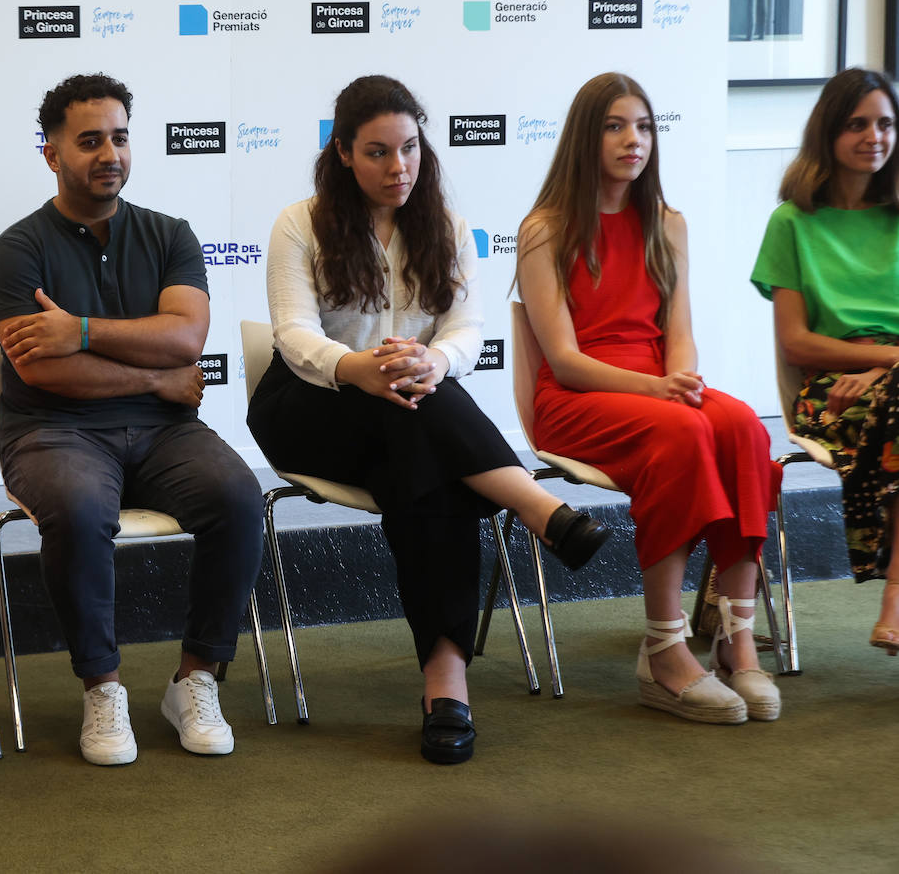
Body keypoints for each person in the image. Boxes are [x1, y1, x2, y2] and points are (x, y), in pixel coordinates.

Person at [247, 75, 611, 765]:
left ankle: (446, 681)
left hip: (409, 417)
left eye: (410, 148)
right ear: (344, 154)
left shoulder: (442, 223)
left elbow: (466, 331)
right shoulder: (300, 223)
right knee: (413, 408)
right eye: (378, 152)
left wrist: (431, 363)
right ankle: (537, 509)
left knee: (420, 425)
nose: (399, 167)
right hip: (310, 409)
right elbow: (292, 337)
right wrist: (364, 369)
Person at [0, 73, 263, 766]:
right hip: (53, 429)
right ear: (51, 154)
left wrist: (79, 330)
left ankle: (194, 679)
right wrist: (155, 376)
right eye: (88, 141)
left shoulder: (170, 236)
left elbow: (185, 341)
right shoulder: (17, 250)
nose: (109, 153)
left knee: (237, 496)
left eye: (119, 136)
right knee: (79, 509)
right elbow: (41, 370)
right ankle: (101, 687)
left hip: (167, 431)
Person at [517, 72, 783, 725]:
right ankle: (664, 649)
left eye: (642, 127)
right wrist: (660, 392)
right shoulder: (545, 228)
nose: (632, 140)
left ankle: (736, 638)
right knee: (683, 433)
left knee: (744, 426)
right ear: (586, 138)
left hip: (658, 388)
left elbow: (681, 335)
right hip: (578, 399)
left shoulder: (668, 223)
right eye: (614, 126)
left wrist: (682, 381)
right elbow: (565, 362)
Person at [750, 67, 899, 656]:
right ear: (828, 133)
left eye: (886, 123)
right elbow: (796, 343)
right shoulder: (793, 222)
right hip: (829, 393)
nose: (875, 136)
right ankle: (896, 596)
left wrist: (886, 369)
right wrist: (889, 361)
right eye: (858, 124)